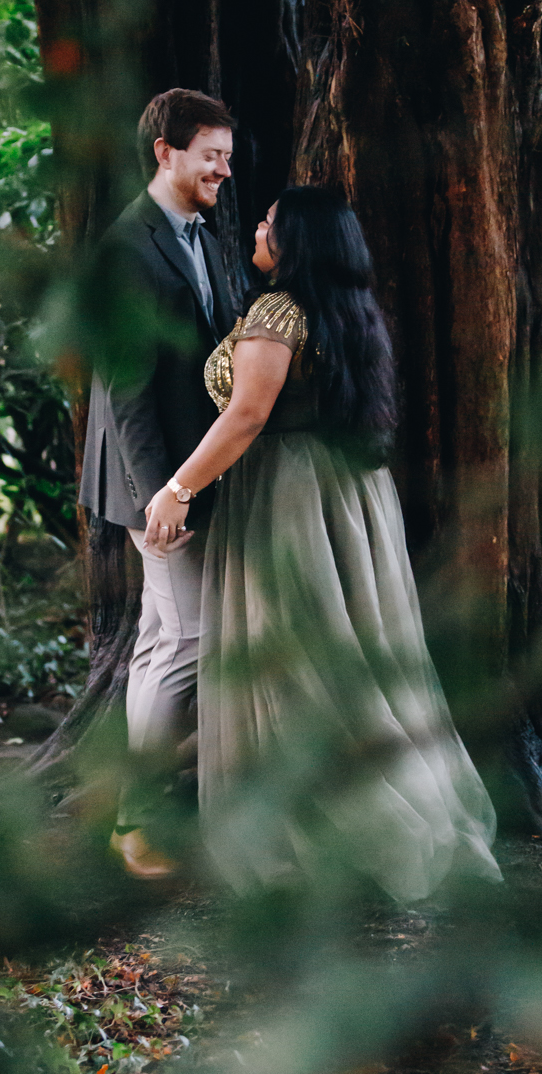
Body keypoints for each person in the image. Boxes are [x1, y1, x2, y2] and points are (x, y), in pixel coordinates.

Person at [143, 186, 501, 901]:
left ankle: (338, 830)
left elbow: (246, 416)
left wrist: (175, 489)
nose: (257, 226)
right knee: (350, 655)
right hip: (346, 492)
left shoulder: (276, 312)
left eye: (271, 222)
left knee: (294, 660)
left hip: (288, 497)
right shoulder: (347, 310)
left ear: (296, 242)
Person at [78, 88, 239, 877]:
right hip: (155, 481)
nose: (223, 170)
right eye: (210, 155)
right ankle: (134, 820)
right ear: (164, 152)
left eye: (227, 157)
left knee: (159, 641)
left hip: (192, 474)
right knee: (185, 639)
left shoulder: (206, 235)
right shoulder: (124, 249)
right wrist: (160, 495)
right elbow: (125, 387)